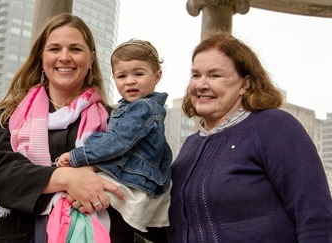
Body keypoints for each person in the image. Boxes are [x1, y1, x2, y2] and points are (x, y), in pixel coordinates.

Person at [0, 13, 125, 242]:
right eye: (54, 49)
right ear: (41, 57)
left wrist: (93, 173)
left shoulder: (117, 120)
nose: (65, 57)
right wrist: (65, 178)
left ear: (91, 58)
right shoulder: (9, 115)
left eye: (75, 49)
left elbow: (138, 172)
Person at [167, 32, 332, 242]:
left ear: (245, 84)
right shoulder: (191, 145)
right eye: (196, 75)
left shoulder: (274, 126)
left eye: (215, 75)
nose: (201, 84)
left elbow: (315, 215)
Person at [57, 39, 172, 242]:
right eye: (122, 76)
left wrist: (78, 156)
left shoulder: (143, 109)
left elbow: (117, 142)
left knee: (76, 199)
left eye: (138, 73)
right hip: (130, 174)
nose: (130, 81)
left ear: (157, 75)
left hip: (132, 178)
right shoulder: (130, 108)